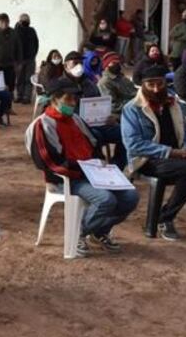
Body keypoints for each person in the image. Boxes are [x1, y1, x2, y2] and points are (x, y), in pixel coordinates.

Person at [28, 78, 139, 256]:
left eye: (74, 99)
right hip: (67, 177)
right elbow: (50, 162)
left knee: (130, 196)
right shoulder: (44, 124)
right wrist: (83, 168)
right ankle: (77, 233)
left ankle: (99, 230)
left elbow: (93, 144)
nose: (73, 103)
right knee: (105, 199)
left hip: (91, 172)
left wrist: (100, 164)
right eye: (68, 99)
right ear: (55, 99)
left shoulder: (76, 120)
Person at [121, 66, 186, 241]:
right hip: (148, 160)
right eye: (150, 85)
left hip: (178, 158)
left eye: (159, 83)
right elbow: (133, 145)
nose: (156, 89)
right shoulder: (132, 109)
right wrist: (170, 152)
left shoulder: (172, 104)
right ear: (143, 85)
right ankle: (165, 218)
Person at [98, 52, 137, 127]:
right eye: (113, 62)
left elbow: (133, 91)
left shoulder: (121, 77)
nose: (117, 64)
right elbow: (113, 105)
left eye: (118, 62)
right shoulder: (105, 82)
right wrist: (133, 103)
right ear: (107, 65)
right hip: (121, 113)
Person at [14, 13, 39, 104]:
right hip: (19, 59)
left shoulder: (32, 31)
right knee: (19, 78)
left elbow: (36, 44)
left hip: (30, 59)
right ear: (19, 21)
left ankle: (27, 96)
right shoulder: (15, 31)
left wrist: (33, 54)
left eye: (26, 20)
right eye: (23, 20)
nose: (25, 22)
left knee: (28, 79)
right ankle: (19, 95)